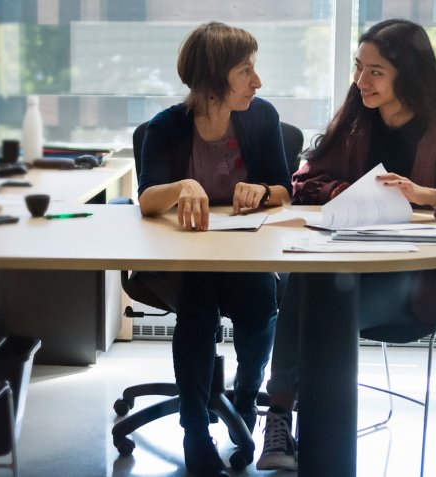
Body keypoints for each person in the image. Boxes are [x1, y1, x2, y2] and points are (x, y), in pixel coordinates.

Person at [255, 18, 436, 471]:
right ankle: (284, 419)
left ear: (407, 74)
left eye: (375, 71)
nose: (361, 81)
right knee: (309, 281)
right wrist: (347, 192)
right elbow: (305, 180)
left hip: (414, 284)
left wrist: (428, 195)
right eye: (359, 68)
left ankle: (291, 424)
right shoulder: (358, 123)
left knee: (318, 308)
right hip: (349, 269)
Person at [137, 22, 292, 477]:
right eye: (246, 70)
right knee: (198, 309)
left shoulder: (260, 117)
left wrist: (261, 192)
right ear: (213, 78)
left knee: (261, 299)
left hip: (244, 253)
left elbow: (286, 190)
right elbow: (147, 200)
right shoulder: (167, 127)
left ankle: (246, 398)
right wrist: (183, 185)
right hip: (184, 258)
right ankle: (194, 430)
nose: (257, 81)